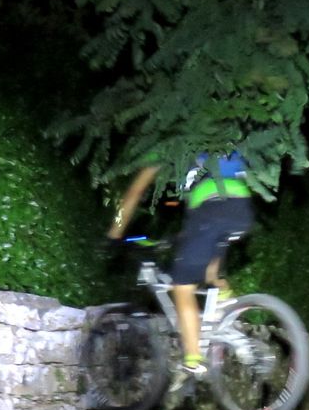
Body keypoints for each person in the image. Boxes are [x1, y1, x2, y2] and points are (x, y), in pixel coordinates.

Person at [107, 152, 254, 387]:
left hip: (210, 207)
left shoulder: (167, 146)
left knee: (183, 286)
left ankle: (193, 362)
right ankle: (227, 321)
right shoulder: (213, 140)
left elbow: (134, 193)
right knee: (211, 275)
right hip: (241, 209)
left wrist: (114, 233)